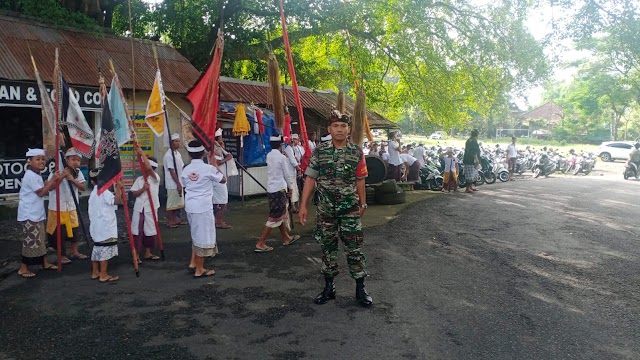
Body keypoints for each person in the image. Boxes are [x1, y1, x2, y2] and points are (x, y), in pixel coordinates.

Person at [298, 111, 373, 307]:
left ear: (348, 129)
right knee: (327, 249)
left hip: (349, 210)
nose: (339, 129)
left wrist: (363, 204)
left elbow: (360, 180)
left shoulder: (356, 152)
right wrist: (303, 205)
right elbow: (310, 178)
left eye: (343, 126)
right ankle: (329, 288)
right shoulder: (320, 151)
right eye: (336, 126)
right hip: (326, 211)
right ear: (329, 129)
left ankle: (360, 288)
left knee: (354, 248)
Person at [181, 140, 227, 278]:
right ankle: (199, 269)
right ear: (203, 153)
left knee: (196, 234)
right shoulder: (208, 168)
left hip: (190, 206)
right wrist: (214, 165)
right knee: (203, 236)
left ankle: (193, 263)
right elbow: (223, 179)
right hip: (203, 206)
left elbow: (183, 184)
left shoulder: (186, 169)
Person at [17, 148, 65, 278]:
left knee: (40, 240)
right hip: (29, 214)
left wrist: (59, 178)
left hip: (36, 213)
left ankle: (44, 262)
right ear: (29, 161)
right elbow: (42, 192)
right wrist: (53, 179)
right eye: (37, 159)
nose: (42, 162)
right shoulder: (30, 175)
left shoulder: (37, 174)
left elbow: (50, 188)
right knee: (30, 242)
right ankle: (23, 268)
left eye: (43, 159)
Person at [255, 135, 301, 252]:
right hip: (279, 189)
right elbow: (287, 174)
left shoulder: (269, 156)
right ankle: (261, 242)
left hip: (272, 188)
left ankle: (286, 237)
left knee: (279, 214)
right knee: (274, 217)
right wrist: (291, 188)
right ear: (281, 145)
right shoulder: (281, 157)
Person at [46, 147, 87, 265]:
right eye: (73, 159)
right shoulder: (56, 172)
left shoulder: (78, 173)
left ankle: (75, 251)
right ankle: (61, 255)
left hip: (72, 206)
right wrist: (63, 176)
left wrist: (72, 179)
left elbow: (83, 187)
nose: (76, 162)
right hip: (58, 207)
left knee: (74, 230)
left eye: (78, 160)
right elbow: (51, 187)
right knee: (59, 232)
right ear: (66, 160)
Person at [88, 169, 124, 282]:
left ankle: (95, 272)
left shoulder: (93, 193)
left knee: (97, 248)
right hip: (105, 226)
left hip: (96, 226)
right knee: (104, 249)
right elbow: (116, 201)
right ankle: (103, 274)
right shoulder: (104, 192)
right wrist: (119, 188)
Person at [130, 145, 161, 263]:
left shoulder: (155, 178)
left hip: (151, 208)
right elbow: (134, 193)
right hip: (139, 209)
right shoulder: (139, 180)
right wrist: (143, 189)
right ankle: (136, 254)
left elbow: (149, 168)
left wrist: (142, 153)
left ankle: (148, 253)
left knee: (150, 231)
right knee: (137, 232)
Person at [212, 129, 233, 229]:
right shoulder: (213, 148)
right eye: (220, 137)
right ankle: (219, 221)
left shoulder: (219, 147)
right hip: (217, 178)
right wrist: (226, 159)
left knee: (219, 200)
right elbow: (215, 162)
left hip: (220, 176)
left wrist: (222, 147)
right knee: (222, 200)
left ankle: (217, 220)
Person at [163, 133, 185, 228]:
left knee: (178, 203)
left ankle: (177, 219)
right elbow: (172, 171)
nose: (178, 143)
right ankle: (170, 221)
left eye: (178, 141)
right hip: (173, 183)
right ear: (171, 143)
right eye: (176, 141)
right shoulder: (168, 155)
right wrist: (178, 183)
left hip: (179, 180)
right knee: (171, 203)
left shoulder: (178, 154)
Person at [463, 129, 481, 193]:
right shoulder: (473, 141)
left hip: (469, 159)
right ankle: (467, 188)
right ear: (476, 135)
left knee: (472, 174)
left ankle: (470, 187)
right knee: (470, 174)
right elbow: (473, 151)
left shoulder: (470, 140)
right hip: (470, 160)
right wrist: (476, 159)